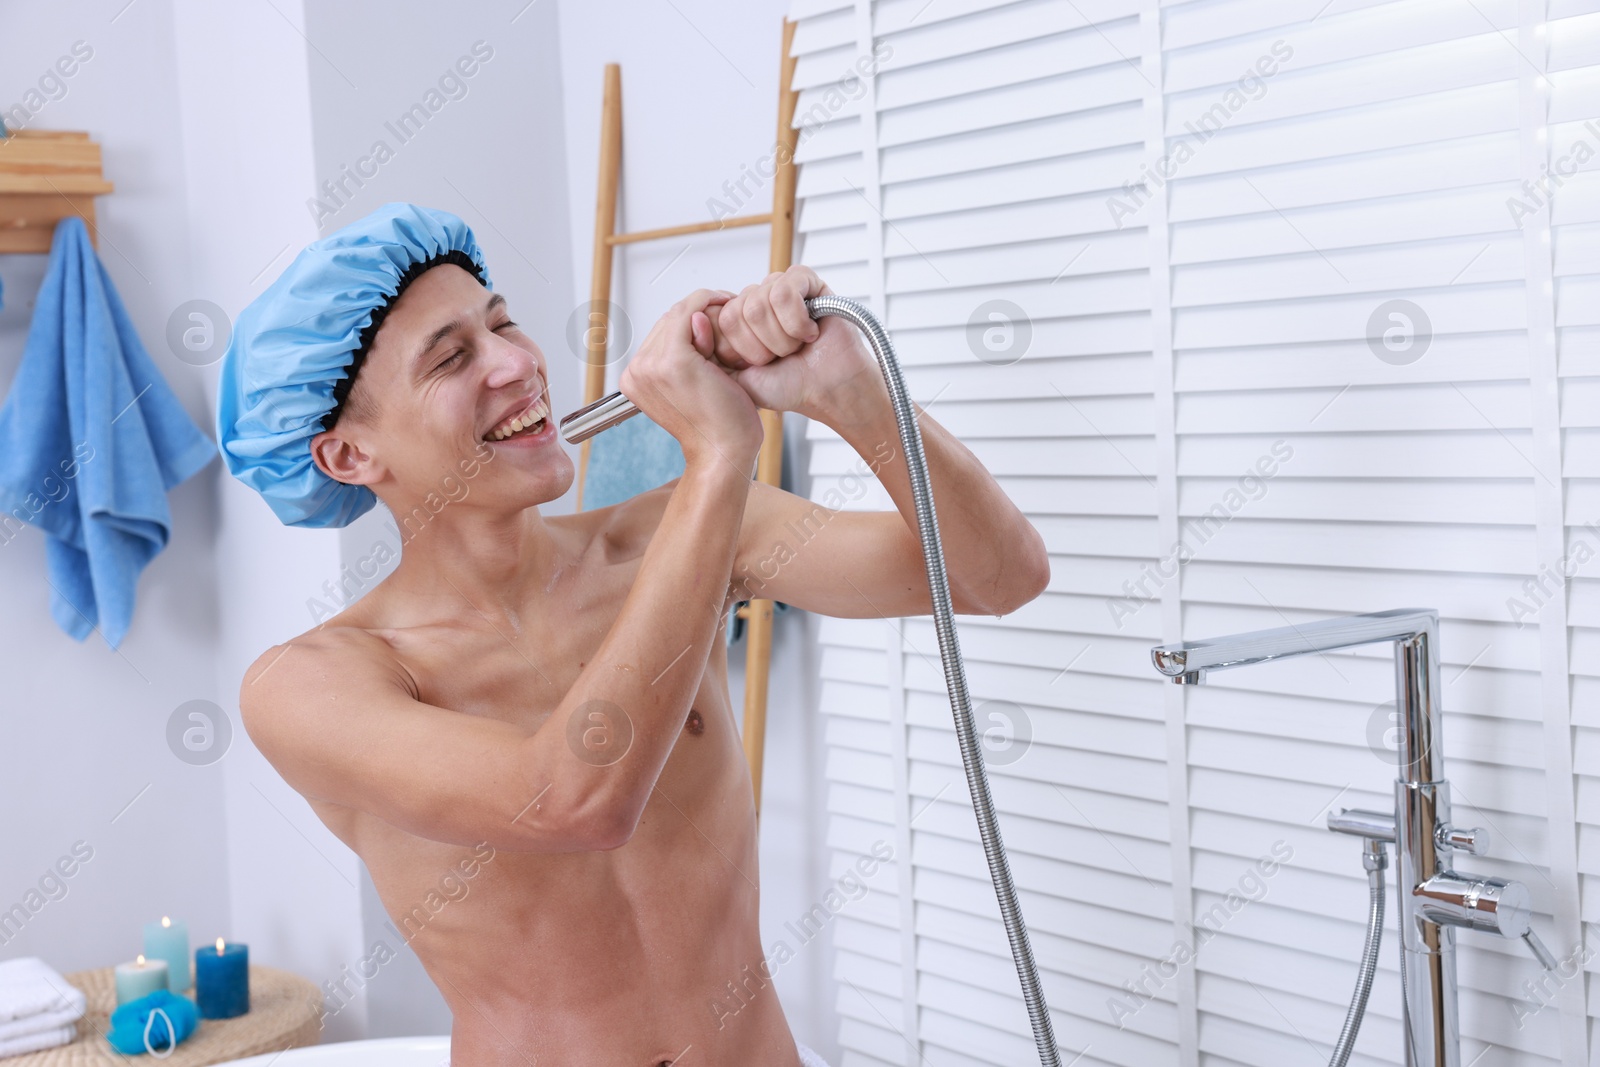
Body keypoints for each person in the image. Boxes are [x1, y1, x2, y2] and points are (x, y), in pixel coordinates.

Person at [216, 203, 1049, 1067]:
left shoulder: (672, 538)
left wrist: (854, 395)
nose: (518, 363)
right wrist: (719, 457)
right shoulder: (310, 686)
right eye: (453, 356)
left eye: (502, 322)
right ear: (350, 458)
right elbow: (577, 798)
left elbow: (998, 577)